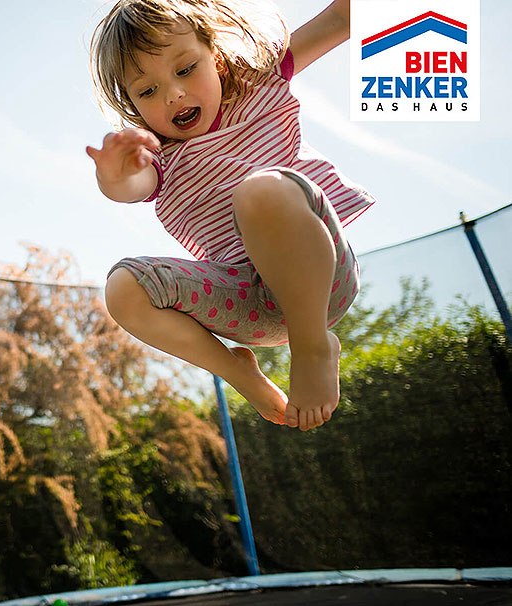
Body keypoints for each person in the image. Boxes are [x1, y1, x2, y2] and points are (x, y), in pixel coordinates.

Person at [85, 0, 373, 431]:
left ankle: (312, 347)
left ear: (216, 58)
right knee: (123, 288)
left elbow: (338, 19)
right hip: (248, 306)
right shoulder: (159, 158)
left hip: (320, 279)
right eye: (147, 91)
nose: (173, 94)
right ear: (133, 103)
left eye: (185, 70)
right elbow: (130, 188)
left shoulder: (263, 82)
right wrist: (113, 176)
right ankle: (239, 372)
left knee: (259, 191)